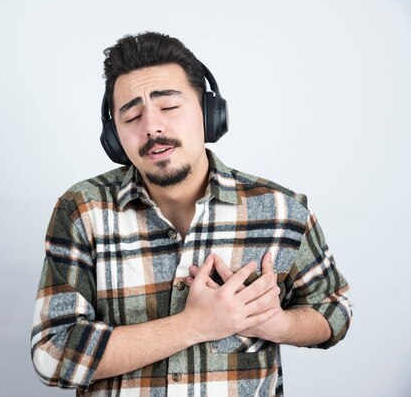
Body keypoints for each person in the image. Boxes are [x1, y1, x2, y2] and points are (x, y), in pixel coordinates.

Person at [30, 31, 351, 396]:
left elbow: (334, 311)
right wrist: (194, 325)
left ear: (209, 113)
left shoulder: (281, 209)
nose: (152, 126)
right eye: (132, 115)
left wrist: (275, 324)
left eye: (168, 107)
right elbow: (51, 355)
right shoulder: (82, 211)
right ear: (114, 137)